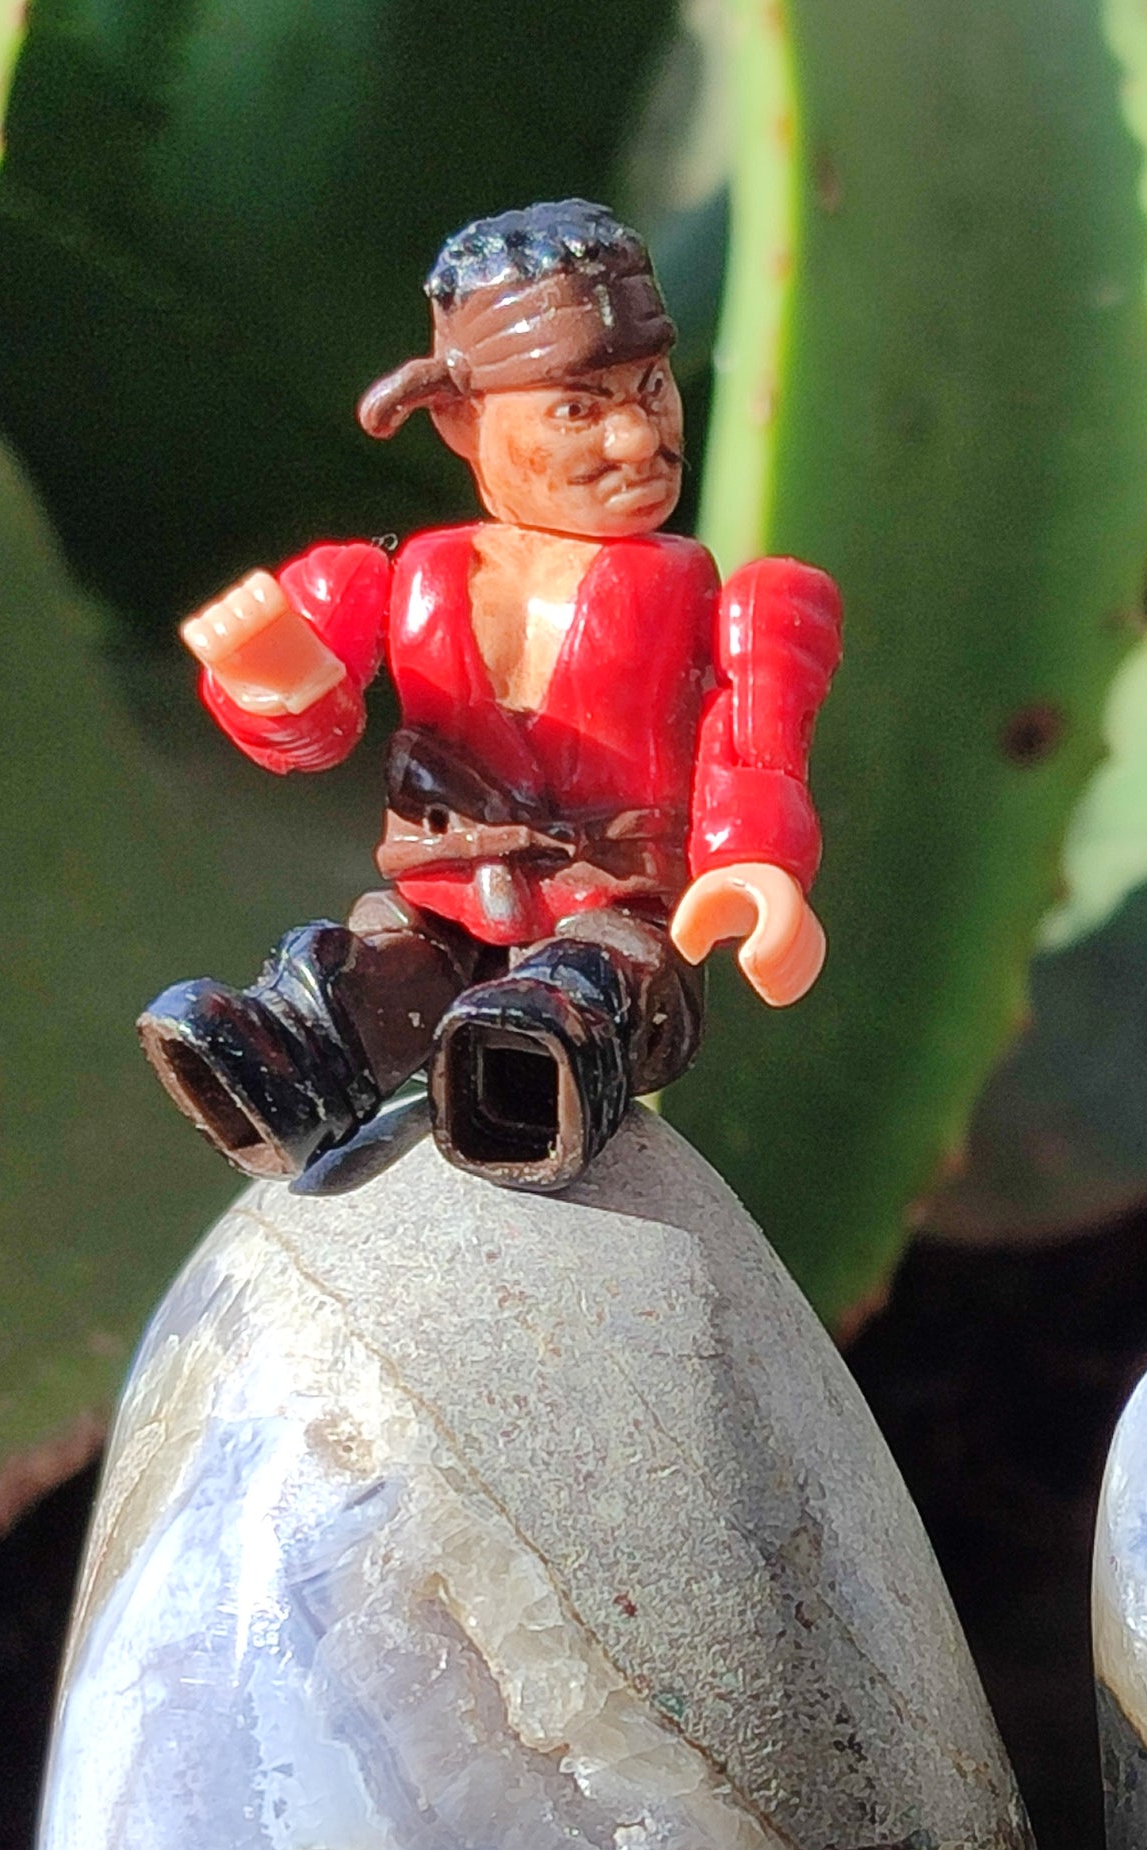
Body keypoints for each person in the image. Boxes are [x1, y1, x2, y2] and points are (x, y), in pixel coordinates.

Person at [140, 198, 840, 1192]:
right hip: (438, 922)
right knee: (352, 986)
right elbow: (311, 734)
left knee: (567, 1006)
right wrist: (272, 676)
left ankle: (527, 1085)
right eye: (578, 409)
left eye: (650, 389)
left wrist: (756, 865)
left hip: (619, 938)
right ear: (464, 420)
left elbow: (752, 734)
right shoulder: (389, 579)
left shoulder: (740, 604)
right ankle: (286, 1076)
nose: (640, 440)